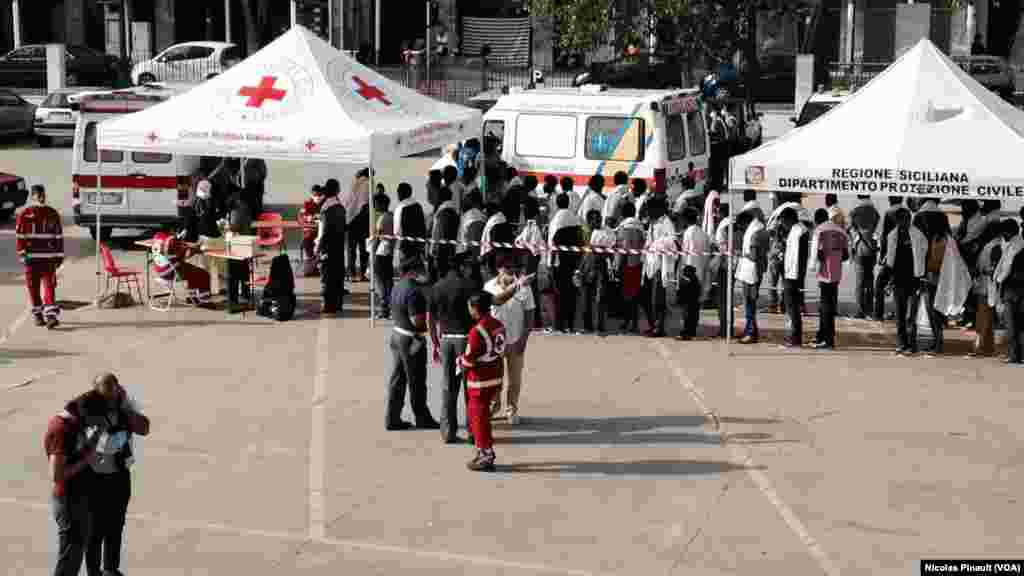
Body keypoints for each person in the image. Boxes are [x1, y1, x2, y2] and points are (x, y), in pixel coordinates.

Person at [85, 373, 150, 576]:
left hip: (120, 474)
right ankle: (94, 571)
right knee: (95, 529)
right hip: (95, 476)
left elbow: (144, 427)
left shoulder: (124, 404)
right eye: (107, 395)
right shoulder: (87, 408)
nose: (111, 399)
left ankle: (111, 569)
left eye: (114, 393)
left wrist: (125, 411)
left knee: (116, 524)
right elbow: (104, 444)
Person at [45, 392, 101, 576]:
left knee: (75, 554)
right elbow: (57, 475)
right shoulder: (61, 429)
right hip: (69, 500)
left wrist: (96, 436)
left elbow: (80, 452)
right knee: (70, 557)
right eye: (94, 420)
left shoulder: (75, 424)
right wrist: (87, 460)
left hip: (80, 497)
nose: (93, 425)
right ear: (85, 414)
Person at [428, 252, 480, 443]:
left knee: (448, 387)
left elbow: (430, 319)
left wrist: (434, 343)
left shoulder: (437, 287)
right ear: (461, 267)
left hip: (446, 341)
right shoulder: (470, 286)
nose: (469, 269)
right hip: (466, 341)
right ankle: (473, 432)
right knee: (470, 388)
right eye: (467, 266)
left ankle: (448, 432)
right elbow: (478, 316)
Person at [387, 257, 440, 430]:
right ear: (413, 271)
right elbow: (417, 320)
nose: (424, 273)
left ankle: (392, 418)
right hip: (410, 339)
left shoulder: (398, 286)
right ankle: (422, 417)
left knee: (398, 379)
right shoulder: (414, 291)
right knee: (416, 380)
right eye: (421, 269)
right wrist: (425, 331)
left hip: (396, 334)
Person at [485, 255, 536, 424]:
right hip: (495, 342)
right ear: (499, 269)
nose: (511, 271)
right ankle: (494, 406)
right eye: (507, 268)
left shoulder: (524, 287)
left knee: (515, 379)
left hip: (516, 340)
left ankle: (512, 409)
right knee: (494, 377)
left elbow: (530, 315)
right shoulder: (489, 287)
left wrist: (524, 339)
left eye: (513, 267)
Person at [459, 291, 506, 471]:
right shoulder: (498, 324)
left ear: (475, 308)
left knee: (478, 418)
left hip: (479, 380)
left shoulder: (476, 331)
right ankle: (485, 451)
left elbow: (469, 359)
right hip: (495, 374)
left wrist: (460, 360)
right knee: (484, 417)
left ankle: (485, 454)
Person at [16, 185, 63, 329]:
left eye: (41, 195)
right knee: (44, 286)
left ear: (32, 196)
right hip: (44, 257)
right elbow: (58, 237)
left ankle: (45, 316)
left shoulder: (24, 214)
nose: (41, 197)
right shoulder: (51, 213)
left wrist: (22, 255)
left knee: (38, 287)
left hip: (37, 258)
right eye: (40, 195)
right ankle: (44, 315)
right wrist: (59, 256)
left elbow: (20, 238)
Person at [883, 207, 927, 355]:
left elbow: (924, 257)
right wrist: (888, 281)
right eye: (901, 220)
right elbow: (890, 261)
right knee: (900, 315)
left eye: (906, 219)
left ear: (909, 219)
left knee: (911, 316)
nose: (904, 222)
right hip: (898, 281)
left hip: (915, 280)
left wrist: (922, 279)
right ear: (898, 221)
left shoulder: (919, 236)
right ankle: (902, 344)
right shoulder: (892, 236)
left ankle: (912, 344)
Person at [915, 198, 951, 354]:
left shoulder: (918, 217)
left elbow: (916, 242)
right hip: (942, 266)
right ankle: (938, 339)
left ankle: (937, 341)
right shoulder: (943, 216)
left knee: (930, 304)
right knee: (939, 303)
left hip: (926, 267)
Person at [813, 208, 849, 349]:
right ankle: (825, 335)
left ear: (817, 220)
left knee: (825, 307)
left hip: (824, 274)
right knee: (830, 306)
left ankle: (827, 340)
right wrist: (835, 257)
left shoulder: (820, 231)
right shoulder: (840, 231)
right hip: (836, 274)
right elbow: (846, 255)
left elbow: (820, 254)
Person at [735, 202, 770, 344]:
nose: (742, 230)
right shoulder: (760, 228)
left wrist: (742, 254)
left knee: (749, 303)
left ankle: (751, 332)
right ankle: (751, 330)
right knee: (750, 303)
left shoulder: (754, 233)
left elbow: (754, 255)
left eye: (741, 226)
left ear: (745, 222)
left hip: (752, 272)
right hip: (755, 271)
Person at [549, 193, 583, 334]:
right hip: (573, 261)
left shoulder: (556, 220)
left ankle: (559, 324)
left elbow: (552, 243)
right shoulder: (575, 218)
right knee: (571, 293)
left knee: (559, 294)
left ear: (557, 203)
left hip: (560, 262)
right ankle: (570, 323)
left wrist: (550, 264)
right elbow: (581, 240)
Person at [644, 196, 677, 338]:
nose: (648, 212)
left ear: (658, 209)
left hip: (661, 265)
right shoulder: (653, 222)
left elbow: (672, 240)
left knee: (659, 298)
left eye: (650, 209)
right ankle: (654, 325)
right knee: (650, 297)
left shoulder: (666, 222)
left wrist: (659, 244)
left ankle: (659, 327)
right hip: (651, 263)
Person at [151, 231, 212, 307]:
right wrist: (196, 249)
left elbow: (173, 252)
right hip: (170, 271)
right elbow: (186, 255)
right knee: (203, 274)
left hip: (159, 270)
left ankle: (193, 298)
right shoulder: (171, 240)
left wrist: (184, 245)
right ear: (171, 230)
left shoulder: (157, 237)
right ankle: (204, 300)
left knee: (192, 271)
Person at [579, 210, 614, 334]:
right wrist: (580, 269)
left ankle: (599, 325)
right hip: (587, 266)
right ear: (589, 221)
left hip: (600, 266)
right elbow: (583, 253)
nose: (599, 222)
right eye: (595, 220)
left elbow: (611, 250)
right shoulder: (585, 232)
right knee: (586, 297)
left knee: (600, 297)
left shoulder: (606, 232)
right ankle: (587, 325)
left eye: (599, 219)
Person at [677, 206, 710, 340]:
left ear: (685, 219)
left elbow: (687, 254)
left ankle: (686, 331)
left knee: (687, 305)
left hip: (690, 272)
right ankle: (692, 330)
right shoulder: (703, 233)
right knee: (694, 305)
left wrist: (684, 274)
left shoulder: (689, 233)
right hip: (701, 271)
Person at [316, 178, 347, 315]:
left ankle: (328, 305)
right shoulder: (340, 207)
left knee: (327, 276)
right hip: (339, 247)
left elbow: (324, 231)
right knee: (338, 275)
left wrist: (318, 247)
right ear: (338, 191)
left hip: (327, 247)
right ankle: (338, 304)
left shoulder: (326, 208)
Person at [780, 208, 810, 348]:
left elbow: (800, 257)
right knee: (792, 307)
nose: (782, 225)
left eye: (783, 221)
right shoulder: (796, 230)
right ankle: (793, 335)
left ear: (788, 219)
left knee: (792, 307)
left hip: (793, 275)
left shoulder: (799, 231)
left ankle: (795, 337)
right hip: (791, 273)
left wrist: (796, 277)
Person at [996, 219, 1024, 363]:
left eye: (1003, 233)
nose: (1003, 236)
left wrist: (998, 280)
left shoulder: (1014, 245)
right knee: (1021, 324)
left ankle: (1014, 356)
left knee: (1011, 324)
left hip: (1012, 290)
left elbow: (1006, 269)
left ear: (1008, 232)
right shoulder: (1018, 242)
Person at [848, 194, 881, 319]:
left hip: (860, 249)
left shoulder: (855, 212)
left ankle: (860, 310)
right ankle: (869, 310)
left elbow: (850, 229)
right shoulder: (875, 212)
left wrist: (854, 239)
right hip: (872, 249)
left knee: (859, 282)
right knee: (870, 280)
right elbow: (877, 231)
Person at [972, 230, 1003, 357]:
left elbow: (983, 267)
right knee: (986, 320)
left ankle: (983, 346)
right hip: (989, 287)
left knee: (984, 319)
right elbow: (993, 269)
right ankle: (985, 346)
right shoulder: (996, 246)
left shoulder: (987, 247)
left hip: (984, 287)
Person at [616, 202, 646, 333]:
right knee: (635, 294)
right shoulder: (640, 226)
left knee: (628, 295)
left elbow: (624, 249)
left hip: (628, 264)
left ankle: (630, 322)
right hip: (639, 263)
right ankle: (632, 322)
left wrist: (618, 266)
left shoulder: (625, 227)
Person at [874, 196, 904, 321]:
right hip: (905, 256)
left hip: (891, 255)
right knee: (900, 285)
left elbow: (884, 236)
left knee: (880, 284)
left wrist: (882, 256)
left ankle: (878, 314)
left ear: (890, 199)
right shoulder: (906, 212)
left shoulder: (888, 213)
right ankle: (899, 314)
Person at [225, 192, 253, 313]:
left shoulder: (237, 210)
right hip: (245, 243)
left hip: (237, 245)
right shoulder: (245, 206)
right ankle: (246, 294)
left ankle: (233, 301)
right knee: (244, 271)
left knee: (233, 273)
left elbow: (234, 227)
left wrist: (226, 226)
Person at [344, 168, 371, 283]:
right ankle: (364, 274)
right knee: (364, 249)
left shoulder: (353, 184)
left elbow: (347, 203)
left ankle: (351, 274)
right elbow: (368, 203)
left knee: (351, 249)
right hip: (363, 220)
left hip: (351, 220)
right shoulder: (369, 184)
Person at [714, 203, 737, 338]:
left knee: (723, 299)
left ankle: (725, 329)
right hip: (729, 264)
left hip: (725, 265)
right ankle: (726, 327)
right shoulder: (729, 222)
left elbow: (724, 245)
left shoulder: (725, 224)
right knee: (725, 298)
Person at [371, 192, 394, 320]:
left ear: (381, 204)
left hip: (381, 253)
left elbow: (377, 238)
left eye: (375, 204)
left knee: (381, 282)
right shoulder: (391, 216)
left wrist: (372, 253)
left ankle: (384, 308)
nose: (374, 206)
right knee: (388, 281)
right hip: (389, 253)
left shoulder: (383, 218)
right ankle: (389, 307)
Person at [430, 187, 460, 281]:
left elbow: (440, 234)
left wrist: (436, 252)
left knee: (443, 277)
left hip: (443, 253)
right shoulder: (453, 211)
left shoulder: (444, 213)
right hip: (451, 250)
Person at [394, 182, 426, 263]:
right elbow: (423, 225)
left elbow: (397, 230)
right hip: (419, 245)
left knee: (406, 271)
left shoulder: (401, 207)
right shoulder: (418, 206)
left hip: (406, 246)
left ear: (400, 193)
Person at [459, 190, 487, 266]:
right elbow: (475, 240)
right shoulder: (475, 215)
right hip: (472, 260)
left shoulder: (470, 215)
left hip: (467, 258)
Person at [301, 185, 323, 277]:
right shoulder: (307, 203)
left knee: (322, 243)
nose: (317, 197)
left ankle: (317, 264)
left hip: (322, 231)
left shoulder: (325, 203)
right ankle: (311, 266)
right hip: (311, 230)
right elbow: (301, 217)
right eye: (315, 195)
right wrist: (310, 218)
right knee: (307, 242)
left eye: (318, 195)